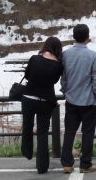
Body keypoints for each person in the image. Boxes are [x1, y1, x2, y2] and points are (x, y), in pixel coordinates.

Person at [60, 24, 96, 174]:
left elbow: (63, 78)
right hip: (89, 101)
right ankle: (85, 164)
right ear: (87, 38)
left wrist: (65, 91)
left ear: (74, 37)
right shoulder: (93, 56)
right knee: (88, 133)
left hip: (71, 99)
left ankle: (67, 163)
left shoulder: (65, 55)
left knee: (69, 132)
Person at [21, 37, 63, 174]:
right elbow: (54, 81)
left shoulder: (34, 58)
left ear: (45, 46)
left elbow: (27, 76)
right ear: (58, 49)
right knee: (42, 133)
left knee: (27, 126)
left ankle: (27, 152)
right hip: (46, 101)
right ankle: (42, 167)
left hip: (29, 98)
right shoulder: (58, 65)